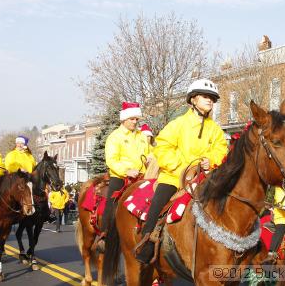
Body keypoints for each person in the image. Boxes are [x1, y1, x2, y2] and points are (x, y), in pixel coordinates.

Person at [135, 78, 228, 264]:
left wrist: (211, 161)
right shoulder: (178, 124)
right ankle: (146, 241)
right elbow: (161, 147)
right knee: (158, 203)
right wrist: (182, 167)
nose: (210, 100)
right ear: (193, 99)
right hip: (174, 177)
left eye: (212, 98)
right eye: (205, 96)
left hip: (204, 178)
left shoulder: (215, 129)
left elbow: (221, 149)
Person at [97, 102, 152, 251]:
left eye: (136, 119)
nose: (135, 122)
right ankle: (104, 234)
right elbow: (112, 159)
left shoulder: (141, 136)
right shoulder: (115, 137)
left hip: (141, 177)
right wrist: (126, 170)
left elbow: (150, 152)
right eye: (132, 119)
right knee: (112, 201)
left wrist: (152, 157)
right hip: (121, 176)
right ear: (124, 119)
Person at [262, 186, 285, 264]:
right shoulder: (278, 188)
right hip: (281, 215)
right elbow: (281, 202)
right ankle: (271, 253)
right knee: (281, 227)